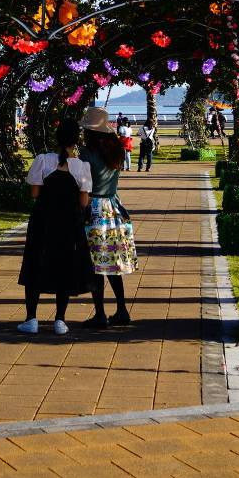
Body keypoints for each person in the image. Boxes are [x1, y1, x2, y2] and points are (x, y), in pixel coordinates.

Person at [18, 119, 93, 334]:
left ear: (56, 138)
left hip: (43, 220)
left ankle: (31, 318)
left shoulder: (42, 160)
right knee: (64, 266)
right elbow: (84, 202)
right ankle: (60, 319)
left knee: (35, 264)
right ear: (75, 140)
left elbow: (34, 193)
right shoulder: (81, 166)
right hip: (69, 223)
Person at [80, 106, 137, 327]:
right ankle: (122, 309)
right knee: (113, 261)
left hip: (93, 208)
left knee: (96, 264)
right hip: (113, 207)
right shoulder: (116, 150)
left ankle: (100, 313)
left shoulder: (86, 153)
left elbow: (83, 182)